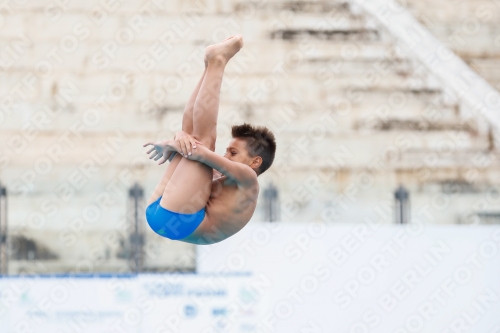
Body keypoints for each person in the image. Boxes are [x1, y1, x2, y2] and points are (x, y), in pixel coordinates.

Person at [143, 35, 276, 245]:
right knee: (191, 135)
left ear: (255, 162)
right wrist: (178, 139)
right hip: (162, 213)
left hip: (178, 220)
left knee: (203, 141)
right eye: (227, 151)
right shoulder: (220, 175)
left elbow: (198, 151)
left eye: (233, 153)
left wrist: (173, 143)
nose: (224, 156)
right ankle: (210, 66)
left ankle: (217, 62)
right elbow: (190, 154)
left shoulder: (248, 180)